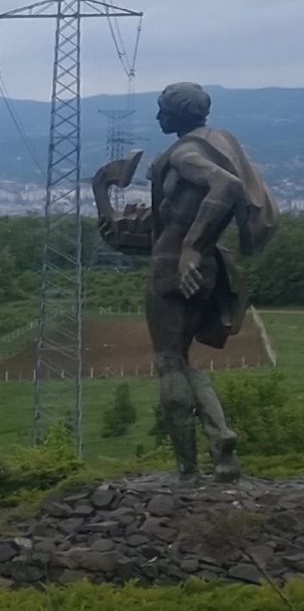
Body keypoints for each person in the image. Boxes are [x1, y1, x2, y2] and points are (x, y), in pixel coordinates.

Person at [91, 82, 278, 482]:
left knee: (168, 363)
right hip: (201, 264)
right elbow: (177, 220)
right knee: (183, 360)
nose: (159, 118)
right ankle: (221, 438)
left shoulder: (186, 153)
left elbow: (225, 186)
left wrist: (190, 248)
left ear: (178, 115)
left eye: (163, 111)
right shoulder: (210, 144)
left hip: (175, 267)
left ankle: (188, 470)